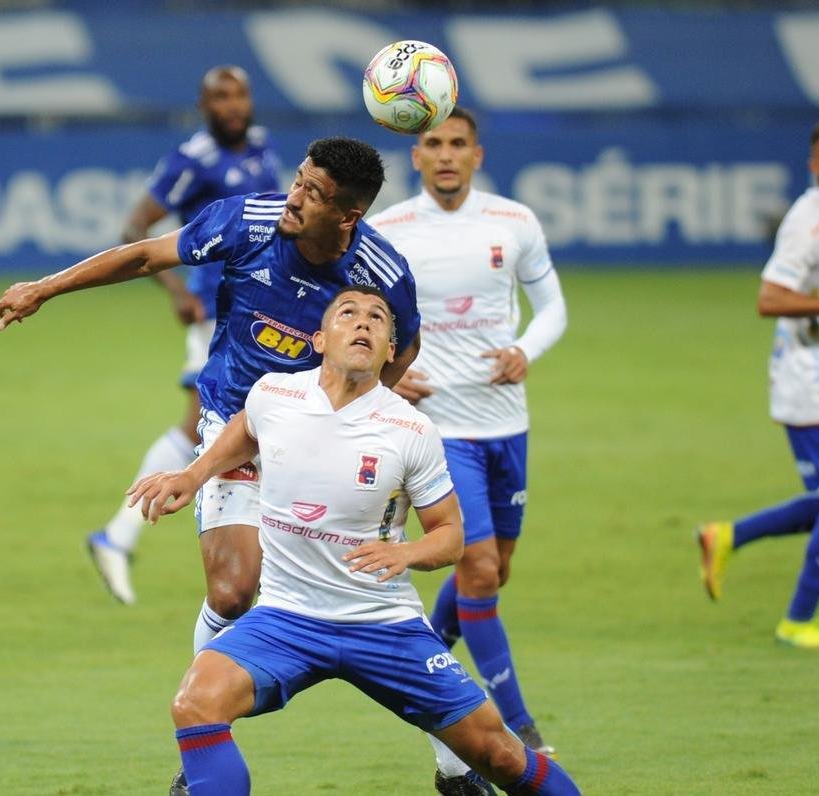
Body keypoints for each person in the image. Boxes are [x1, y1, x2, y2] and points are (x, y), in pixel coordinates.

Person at [127, 286, 580, 796]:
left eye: (378, 319)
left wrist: (405, 552)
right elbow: (246, 431)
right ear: (320, 339)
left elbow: (451, 536)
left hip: (382, 624)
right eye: (349, 314)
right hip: (286, 618)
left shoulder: (410, 429)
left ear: (392, 350)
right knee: (195, 701)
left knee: (498, 752)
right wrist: (192, 476)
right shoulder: (274, 394)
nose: (363, 323)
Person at [0, 136, 421, 641]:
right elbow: (145, 255)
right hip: (231, 420)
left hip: (313, 439)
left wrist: (356, 408)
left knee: (329, 596)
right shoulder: (247, 222)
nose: (294, 198)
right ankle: (200, 709)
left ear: (348, 217)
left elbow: (405, 345)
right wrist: (45, 287)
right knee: (233, 592)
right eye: (298, 180)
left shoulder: (382, 274)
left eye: (314, 193)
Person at [368, 107, 567, 794]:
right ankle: (516, 727)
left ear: (476, 154)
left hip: (507, 425)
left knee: (493, 572)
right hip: (436, 430)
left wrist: (525, 350)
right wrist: (392, 371)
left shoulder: (513, 223)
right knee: (476, 565)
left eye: (457, 144)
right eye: (433, 144)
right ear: (415, 156)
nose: (446, 155)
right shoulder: (388, 231)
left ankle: (433, 697)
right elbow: (355, 317)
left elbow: (554, 309)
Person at [86, 65, 280, 605]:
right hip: (218, 313)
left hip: (261, 308)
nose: (233, 105)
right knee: (203, 421)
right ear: (203, 105)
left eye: (240, 94)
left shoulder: (261, 148)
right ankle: (118, 535)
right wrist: (175, 291)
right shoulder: (193, 160)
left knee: (252, 419)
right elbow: (135, 229)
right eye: (221, 97)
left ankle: (119, 538)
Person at [697, 117, 819, 650]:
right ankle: (798, 621)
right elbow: (769, 299)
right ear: (814, 166)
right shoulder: (809, 222)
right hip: (814, 381)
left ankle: (727, 536)